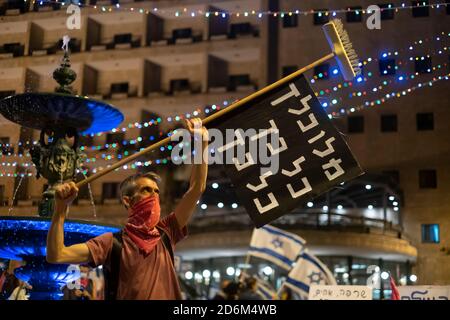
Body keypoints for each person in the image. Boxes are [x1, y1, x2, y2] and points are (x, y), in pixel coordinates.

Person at [46, 118, 208, 300]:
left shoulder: (167, 232)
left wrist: (202, 142)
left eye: (156, 191)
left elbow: (196, 189)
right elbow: (57, 255)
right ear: (127, 201)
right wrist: (60, 209)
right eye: (147, 190)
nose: (154, 196)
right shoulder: (111, 243)